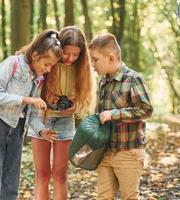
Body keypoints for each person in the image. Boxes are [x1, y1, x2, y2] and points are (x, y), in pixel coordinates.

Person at [0, 29, 62, 200]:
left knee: (10, 188)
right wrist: (25, 99)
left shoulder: (38, 79)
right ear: (35, 55)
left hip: (17, 132)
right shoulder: (12, 63)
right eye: (46, 64)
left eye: (52, 66)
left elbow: (31, 115)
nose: (48, 69)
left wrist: (41, 131)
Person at [27, 26, 94, 199]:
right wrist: (47, 101)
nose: (70, 58)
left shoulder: (82, 70)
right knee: (41, 175)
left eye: (76, 54)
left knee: (60, 175)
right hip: (42, 119)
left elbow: (85, 102)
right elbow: (31, 92)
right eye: (65, 52)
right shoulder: (48, 62)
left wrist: (75, 107)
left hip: (65, 121)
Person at [88, 33, 153, 200]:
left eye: (95, 59)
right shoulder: (103, 82)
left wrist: (114, 114)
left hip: (128, 151)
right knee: (103, 197)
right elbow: (100, 113)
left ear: (110, 58)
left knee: (129, 196)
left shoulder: (133, 79)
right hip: (105, 151)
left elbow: (146, 109)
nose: (92, 64)